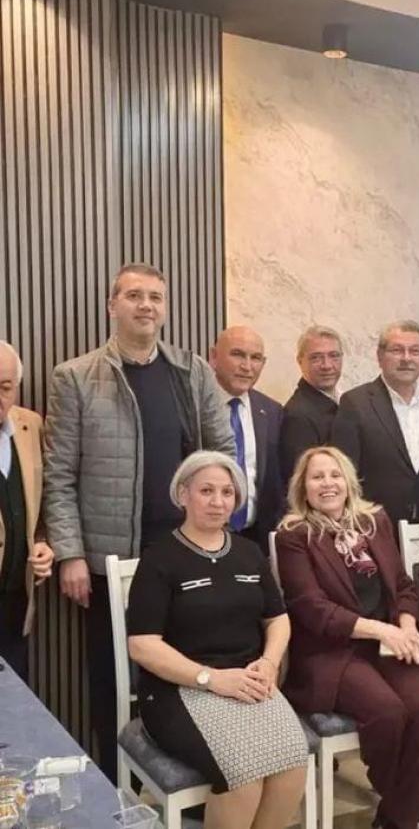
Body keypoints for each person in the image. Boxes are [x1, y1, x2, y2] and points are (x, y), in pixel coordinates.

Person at [43, 263, 235, 782]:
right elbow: (58, 475)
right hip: (109, 561)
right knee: (111, 680)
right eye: (133, 295)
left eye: (155, 296)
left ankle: (187, 784)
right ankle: (114, 788)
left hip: (183, 554)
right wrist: (70, 554)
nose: (146, 305)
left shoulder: (191, 372)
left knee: (187, 671)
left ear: (165, 308)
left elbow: (222, 454)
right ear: (112, 306)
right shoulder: (75, 377)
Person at [127, 451, 307, 829]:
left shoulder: (248, 552)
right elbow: (142, 644)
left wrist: (269, 663)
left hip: (248, 681)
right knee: (244, 771)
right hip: (179, 689)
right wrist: (211, 679)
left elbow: (278, 620)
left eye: (227, 492)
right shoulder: (159, 559)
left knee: (293, 761)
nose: (218, 501)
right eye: (206, 490)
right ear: (183, 494)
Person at [276, 445, 419, 829]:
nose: (328, 483)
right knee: (388, 712)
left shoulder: (375, 521)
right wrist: (382, 629)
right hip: (332, 651)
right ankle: (403, 802)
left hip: (388, 641)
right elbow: (312, 608)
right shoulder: (294, 535)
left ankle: (396, 812)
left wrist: (406, 625)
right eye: (317, 477)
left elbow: (403, 586)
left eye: (335, 475)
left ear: (349, 481)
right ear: (303, 487)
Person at [332, 320, 419, 528]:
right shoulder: (356, 403)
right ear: (380, 356)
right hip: (376, 528)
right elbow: (346, 473)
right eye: (397, 350)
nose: (406, 358)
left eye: (414, 351)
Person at [0, 341, 54, 680]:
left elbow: (43, 499)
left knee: (14, 699)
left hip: (17, 599)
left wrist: (44, 542)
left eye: (5, 387)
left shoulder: (31, 425)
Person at [210, 325, 286, 545]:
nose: (247, 366)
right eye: (237, 354)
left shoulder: (272, 411)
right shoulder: (193, 406)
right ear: (214, 357)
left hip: (256, 540)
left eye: (256, 358)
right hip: (205, 537)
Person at [281, 325, 343, 496]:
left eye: (334, 356)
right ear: (300, 361)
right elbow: (303, 485)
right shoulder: (298, 415)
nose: (327, 365)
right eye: (316, 358)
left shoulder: (345, 402)